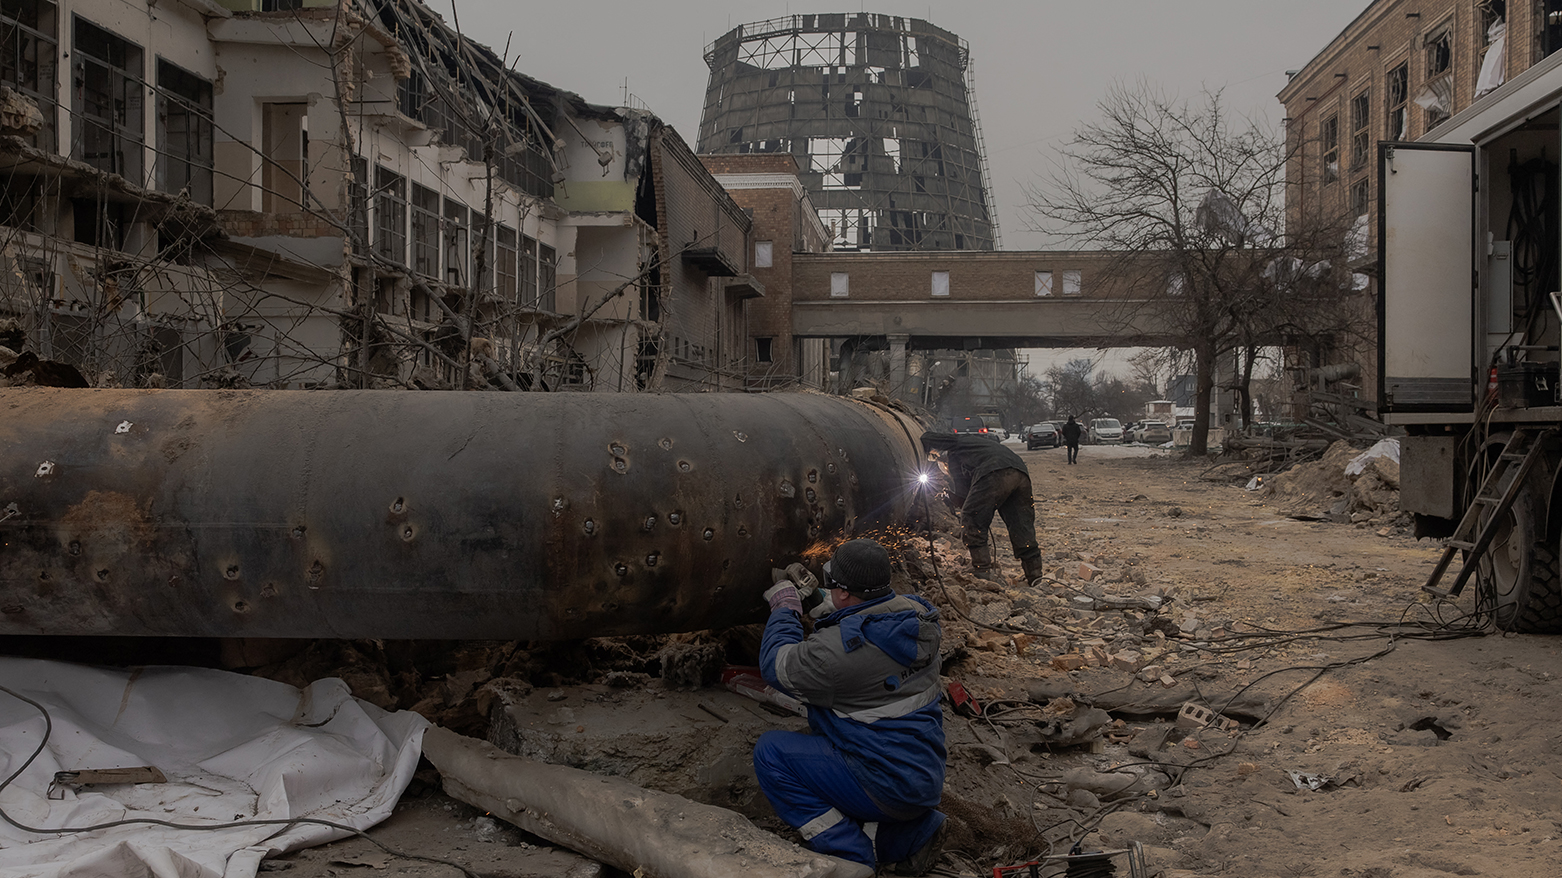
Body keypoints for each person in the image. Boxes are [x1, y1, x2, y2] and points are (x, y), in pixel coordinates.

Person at [754, 539, 947, 875]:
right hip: (923, 775)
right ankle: (911, 835)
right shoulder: (918, 616)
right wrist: (821, 603)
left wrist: (786, 608)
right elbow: (868, 623)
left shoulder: (835, 656)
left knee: (771, 753)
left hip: (884, 783)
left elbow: (777, 666)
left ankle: (850, 855)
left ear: (843, 591)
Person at [920, 430, 1044, 585]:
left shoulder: (955, 450)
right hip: (1020, 472)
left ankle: (981, 570)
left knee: (972, 518)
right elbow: (972, 497)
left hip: (994, 471)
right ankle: (1035, 575)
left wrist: (949, 498)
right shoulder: (977, 446)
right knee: (1021, 524)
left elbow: (967, 502)